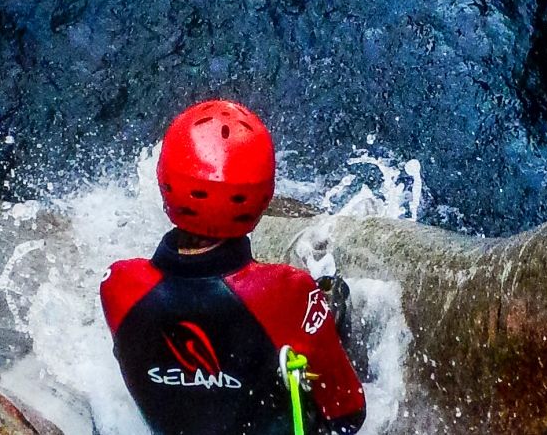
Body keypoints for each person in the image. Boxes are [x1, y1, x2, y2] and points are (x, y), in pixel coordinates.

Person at [102, 101, 366, 435]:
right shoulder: (289, 290)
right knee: (334, 297)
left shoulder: (118, 284)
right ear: (262, 195)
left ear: (165, 182)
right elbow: (348, 412)